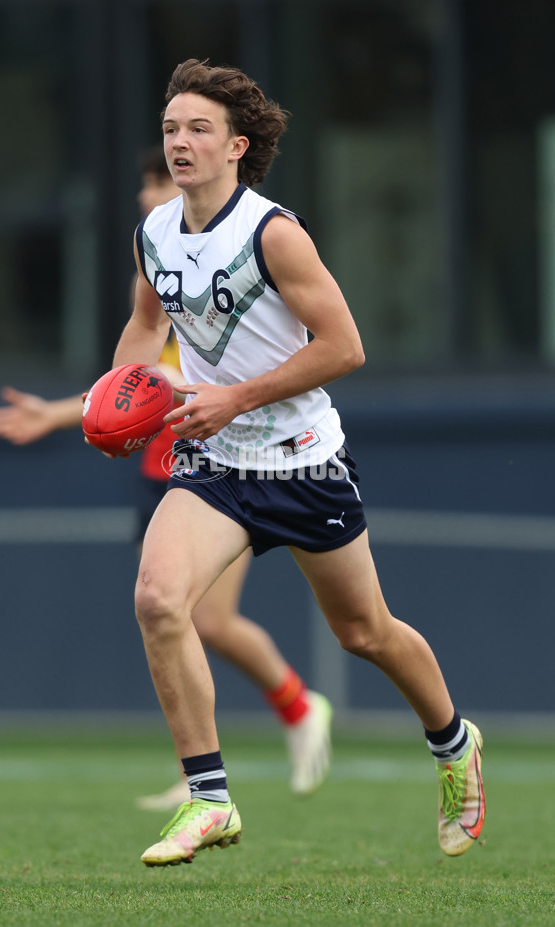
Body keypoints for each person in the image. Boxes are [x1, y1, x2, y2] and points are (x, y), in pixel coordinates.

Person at [97, 58, 486, 868]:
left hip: (304, 464)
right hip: (216, 464)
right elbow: (144, 326)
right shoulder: (154, 232)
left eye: (199, 128)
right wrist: (123, 389)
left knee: (364, 632)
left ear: (238, 145)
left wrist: (233, 397)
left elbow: (346, 347)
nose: (180, 142)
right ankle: (209, 799)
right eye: (171, 128)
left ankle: (453, 744)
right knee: (159, 598)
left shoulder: (273, 232)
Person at [0, 145, 333, 809]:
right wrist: (68, 414)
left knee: (211, 618)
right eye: (147, 180)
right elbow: (137, 387)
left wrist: (71, 412)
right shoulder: (156, 257)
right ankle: (199, 772)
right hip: (163, 464)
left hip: (236, 455)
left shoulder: (235, 251)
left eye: (158, 179)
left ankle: (296, 706)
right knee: (169, 609)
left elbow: (199, 375)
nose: (151, 192)